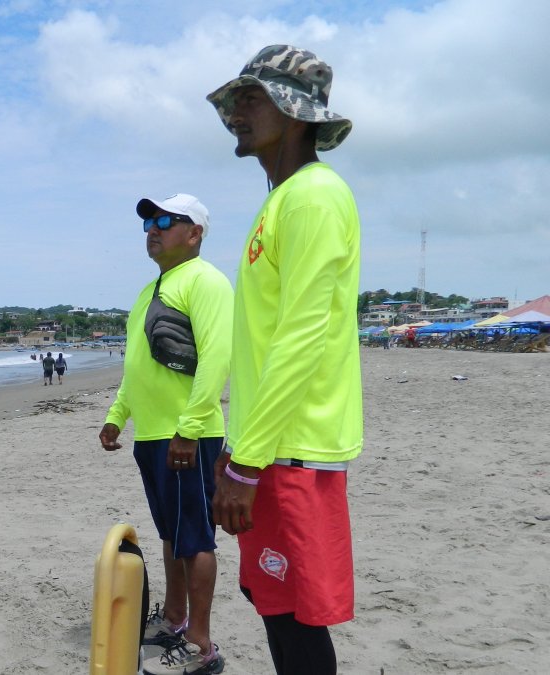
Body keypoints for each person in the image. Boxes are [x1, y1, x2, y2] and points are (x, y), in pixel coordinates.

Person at [206, 45, 363, 675]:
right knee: (271, 602)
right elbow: (262, 342)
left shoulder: (314, 197)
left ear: (296, 113)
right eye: (237, 100)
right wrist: (238, 444)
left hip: (292, 450)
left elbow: (302, 337)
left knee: (295, 620)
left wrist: (247, 462)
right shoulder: (281, 200)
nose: (238, 112)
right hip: (269, 445)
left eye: (253, 98)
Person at [99, 193, 232, 674]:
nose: (152, 229)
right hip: (153, 436)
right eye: (147, 223)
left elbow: (217, 360)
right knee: (172, 534)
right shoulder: (149, 292)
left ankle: (202, 644)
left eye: (163, 220)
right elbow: (137, 366)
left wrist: (190, 429)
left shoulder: (206, 281)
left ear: (194, 232)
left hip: (187, 436)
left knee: (195, 538)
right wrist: (118, 414)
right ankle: (175, 619)